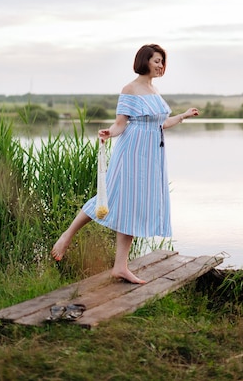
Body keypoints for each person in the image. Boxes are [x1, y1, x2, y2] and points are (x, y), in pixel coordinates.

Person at [51, 44, 199, 284]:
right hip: (132, 152)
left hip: (152, 156)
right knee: (109, 197)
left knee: (132, 206)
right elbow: (121, 123)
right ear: (144, 61)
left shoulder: (154, 89)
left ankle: (120, 267)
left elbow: (159, 124)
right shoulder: (130, 89)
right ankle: (66, 236)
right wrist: (109, 132)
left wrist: (182, 116)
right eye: (156, 60)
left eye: (162, 61)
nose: (161, 65)